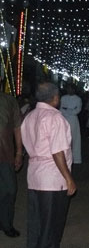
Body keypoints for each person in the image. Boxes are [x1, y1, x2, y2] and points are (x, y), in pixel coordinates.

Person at [21, 82, 77, 247]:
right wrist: (68, 178)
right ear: (55, 98)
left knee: (36, 225)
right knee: (51, 228)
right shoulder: (55, 118)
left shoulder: (30, 116)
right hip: (52, 180)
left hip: (34, 176)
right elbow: (57, 152)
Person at [0, 91, 23, 238]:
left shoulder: (9, 100)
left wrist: (19, 152)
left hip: (6, 153)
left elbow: (17, 126)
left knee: (9, 190)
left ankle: (6, 223)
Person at [60, 83, 82, 164]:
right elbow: (61, 109)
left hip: (73, 120)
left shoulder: (78, 99)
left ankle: (75, 158)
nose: (69, 90)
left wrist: (67, 110)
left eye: (70, 88)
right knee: (65, 138)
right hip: (64, 119)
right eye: (68, 88)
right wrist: (70, 110)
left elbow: (77, 110)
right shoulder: (63, 98)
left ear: (73, 89)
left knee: (74, 139)